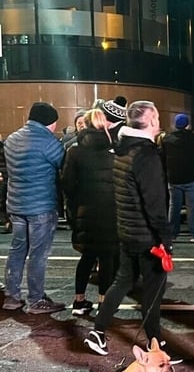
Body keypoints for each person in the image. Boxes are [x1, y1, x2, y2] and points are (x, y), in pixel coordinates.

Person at [84, 101, 174, 356]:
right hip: (147, 237)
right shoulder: (147, 155)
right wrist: (165, 239)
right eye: (156, 116)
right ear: (149, 122)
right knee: (153, 290)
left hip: (127, 231)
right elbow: (154, 204)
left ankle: (98, 331)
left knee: (122, 282)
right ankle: (154, 343)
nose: (159, 121)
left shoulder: (122, 148)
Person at [3, 103, 66, 314]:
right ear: (49, 121)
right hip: (41, 207)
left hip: (16, 205)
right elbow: (63, 166)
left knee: (17, 249)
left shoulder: (11, 139)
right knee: (38, 254)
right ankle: (36, 299)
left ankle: (12, 296)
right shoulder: (49, 143)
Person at [61, 109, 119, 315]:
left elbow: (66, 184)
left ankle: (79, 301)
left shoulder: (74, 152)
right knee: (107, 259)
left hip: (84, 211)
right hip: (109, 213)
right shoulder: (113, 152)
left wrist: (75, 206)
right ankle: (104, 303)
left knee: (87, 257)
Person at [161, 113, 194, 243]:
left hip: (173, 178)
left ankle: (172, 234)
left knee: (173, 207)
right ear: (187, 125)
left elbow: (163, 158)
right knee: (192, 207)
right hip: (192, 177)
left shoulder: (167, 139)